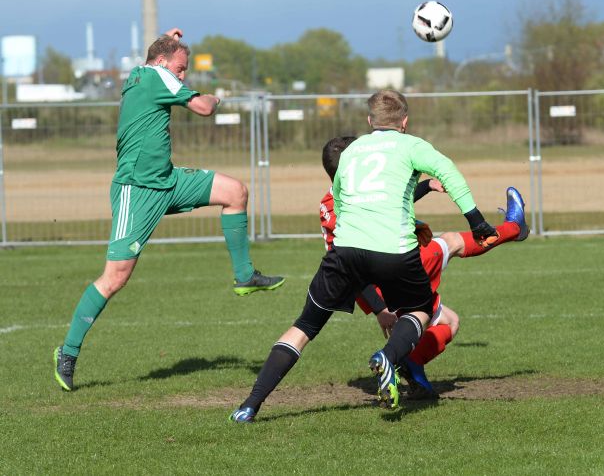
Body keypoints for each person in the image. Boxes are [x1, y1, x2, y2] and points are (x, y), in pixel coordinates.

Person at [230, 89, 498, 422]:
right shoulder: (411, 145)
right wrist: (477, 221)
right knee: (421, 309)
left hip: (345, 251)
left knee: (304, 326)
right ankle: (389, 357)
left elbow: (341, 200)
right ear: (404, 121)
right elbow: (449, 172)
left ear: (370, 121)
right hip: (392, 250)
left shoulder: (353, 151)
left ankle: (250, 405)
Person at [53, 28, 284, 392]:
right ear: (162, 63)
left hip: (167, 180)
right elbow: (203, 108)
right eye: (180, 68)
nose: (183, 75)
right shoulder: (157, 75)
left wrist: (167, 38)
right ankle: (67, 353)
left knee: (235, 192)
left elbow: (157, 57)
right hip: (137, 190)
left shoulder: (143, 72)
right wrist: (216, 98)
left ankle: (244, 276)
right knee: (115, 277)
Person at [319, 136, 529, 397]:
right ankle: (515, 227)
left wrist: (427, 186)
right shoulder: (345, 204)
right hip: (390, 273)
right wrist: (380, 308)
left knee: (449, 322)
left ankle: (413, 365)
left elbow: (389, 202)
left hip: (378, 282)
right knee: (452, 241)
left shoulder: (335, 201)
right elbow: (352, 267)